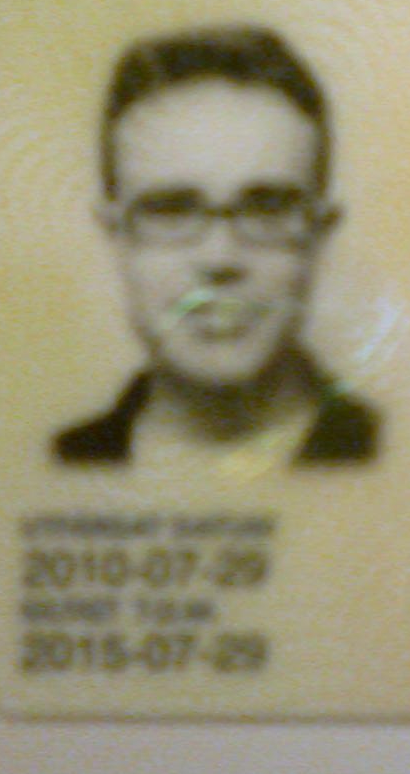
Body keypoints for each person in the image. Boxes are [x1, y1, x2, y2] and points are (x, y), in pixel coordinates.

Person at [54, 24, 380, 468]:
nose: (220, 258)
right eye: (171, 210)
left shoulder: (400, 457)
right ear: (115, 236)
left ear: (320, 235)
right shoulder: (61, 463)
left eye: (267, 209)